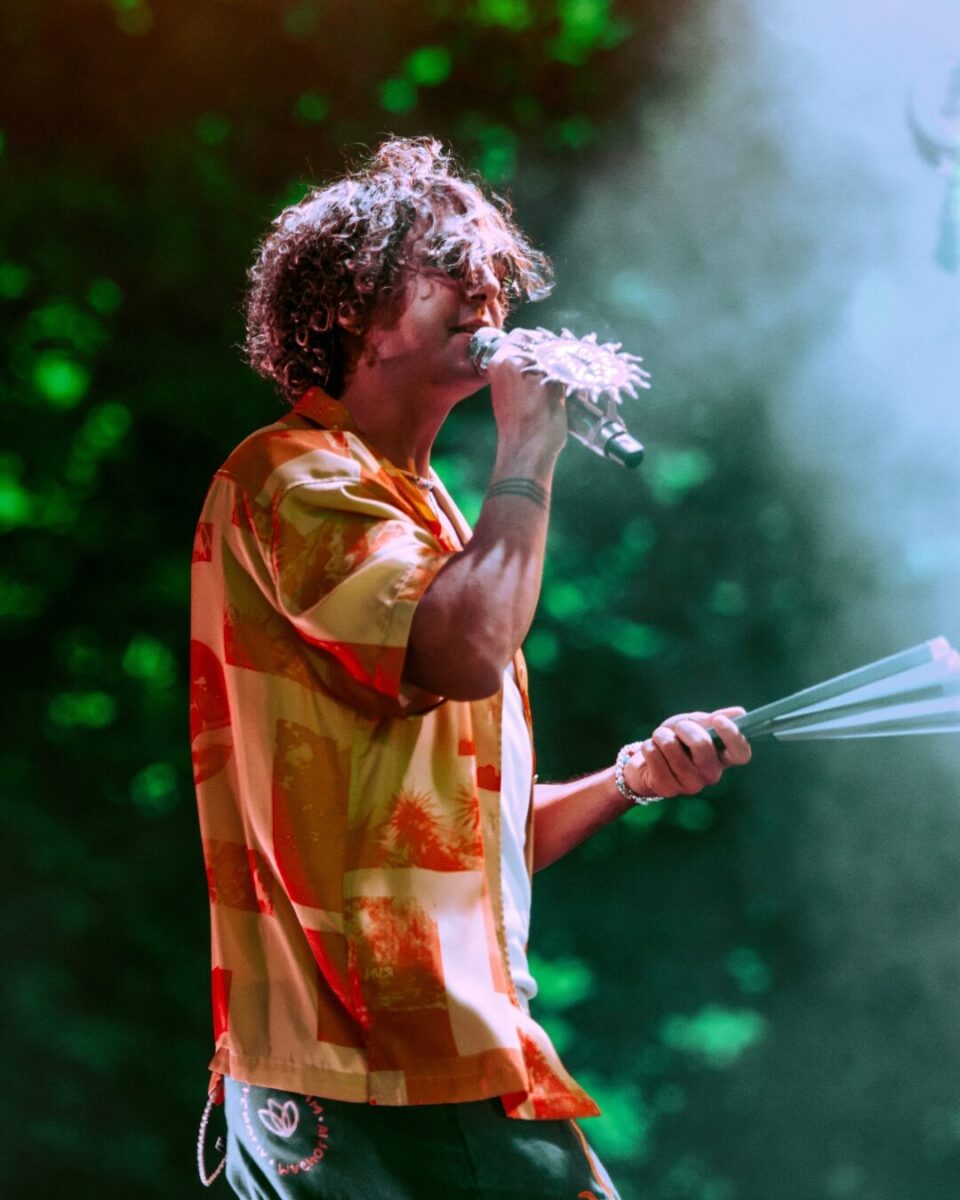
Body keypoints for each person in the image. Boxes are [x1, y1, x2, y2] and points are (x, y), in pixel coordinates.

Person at [190, 136, 752, 1200]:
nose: (486, 292)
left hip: (427, 1056)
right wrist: (529, 448)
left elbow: (455, 849)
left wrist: (630, 779)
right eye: (449, 265)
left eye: (495, 272)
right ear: (350, 306)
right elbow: (466, 650)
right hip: (374, 1066)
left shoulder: (428, 515)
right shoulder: (292, 475)